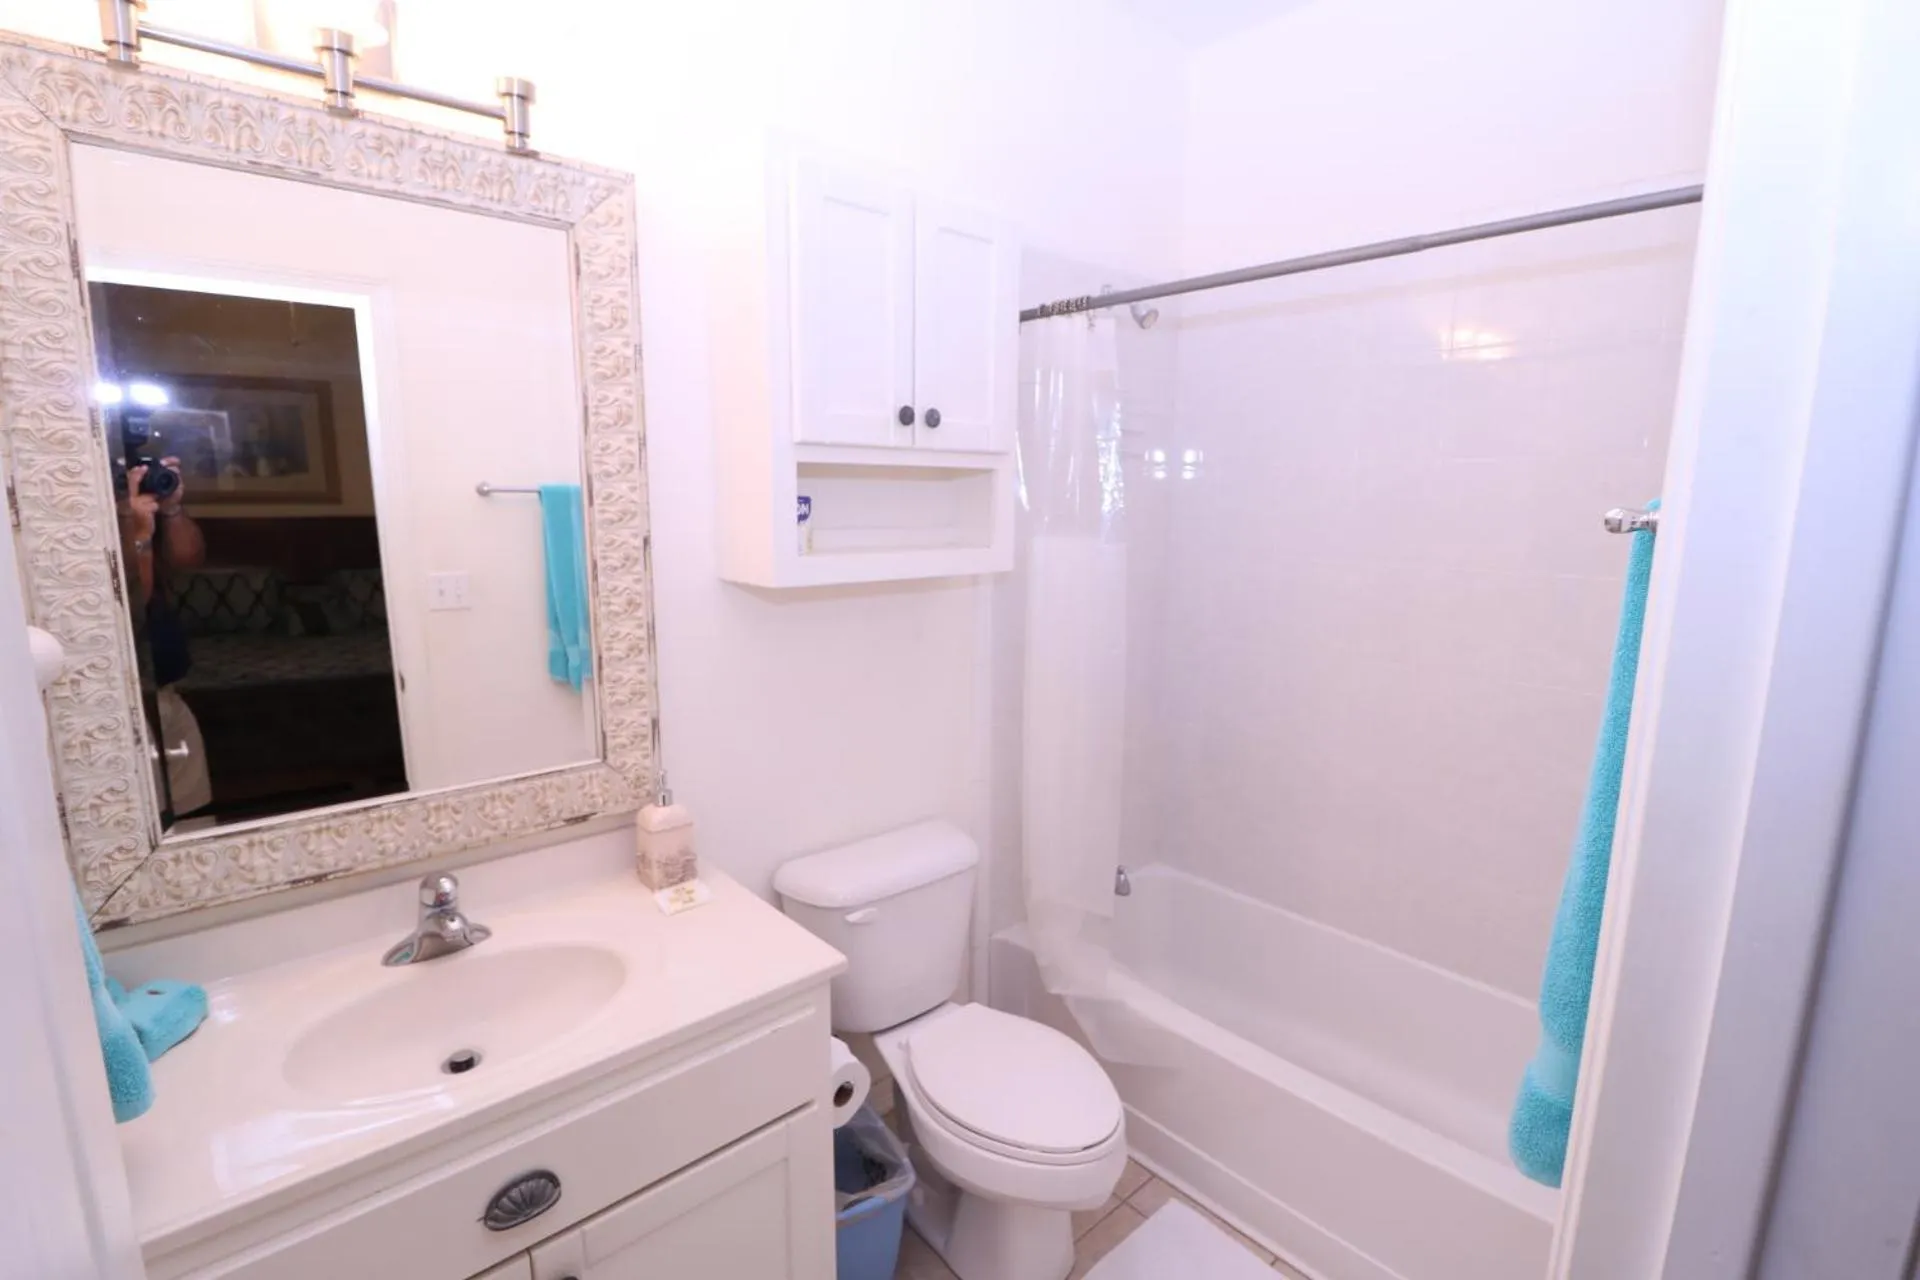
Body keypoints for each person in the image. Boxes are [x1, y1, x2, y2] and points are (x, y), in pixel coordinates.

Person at [118, 458, 213, 819]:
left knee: (193, 811)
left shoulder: (148, 510)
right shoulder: (86, 518)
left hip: (166, 684)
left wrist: (172, 509)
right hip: (126, 694)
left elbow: (189, 558)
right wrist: (136, 532)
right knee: (150, 816)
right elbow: (132, 598)